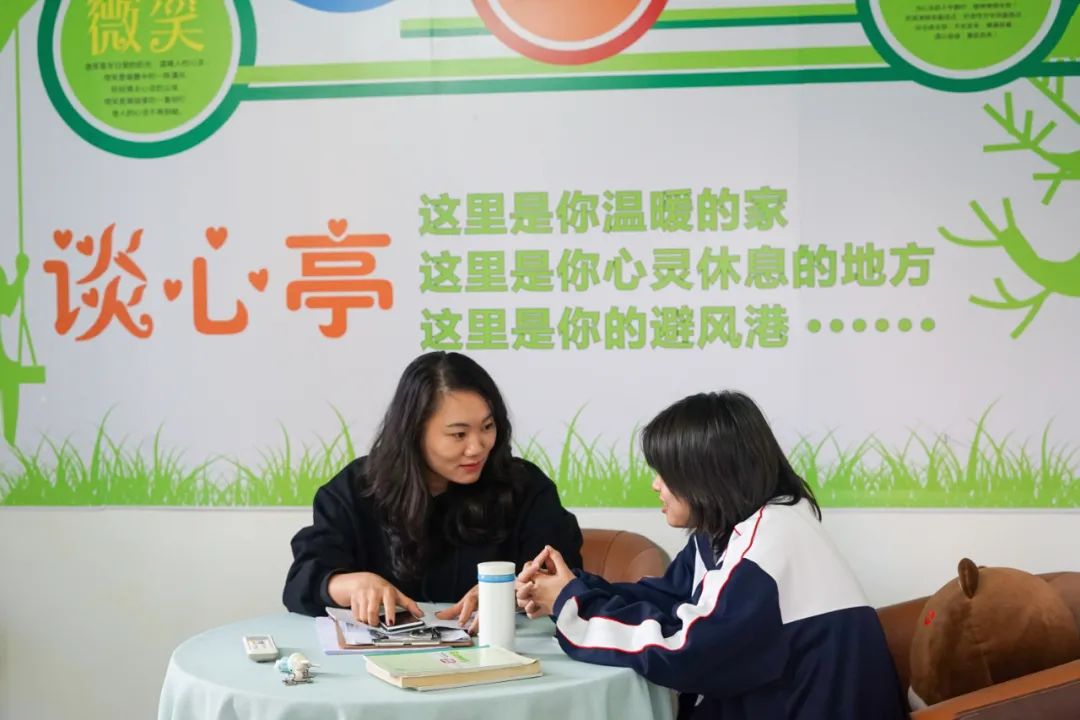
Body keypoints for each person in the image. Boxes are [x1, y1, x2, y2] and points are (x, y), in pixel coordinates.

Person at [516, 391, 906, 720]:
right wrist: (572, 588)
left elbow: (685, 650)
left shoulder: (768, 546)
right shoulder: (735, 531)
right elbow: (671, 599)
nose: (655, 485)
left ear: (707, 475)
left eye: (665, 473)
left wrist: (571, 605)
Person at [283, 351, 582, 631]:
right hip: (379, 663)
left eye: (487, 427)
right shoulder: (357, 488)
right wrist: (351, 585)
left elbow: (569, 579)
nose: (477, 447)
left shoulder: (524, 486)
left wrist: (509, 592)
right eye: (459, 434)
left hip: (503, 656)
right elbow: (301, 582)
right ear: (414, 433)